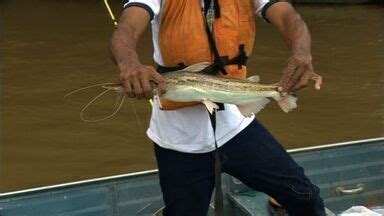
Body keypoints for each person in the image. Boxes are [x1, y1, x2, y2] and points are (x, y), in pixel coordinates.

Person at [111, 0, 325, 215]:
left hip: (236, 126)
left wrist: (302, 53)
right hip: (178, 140)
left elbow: (289, 16)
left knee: (304, 196)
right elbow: (126, 28)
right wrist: (129, 64)